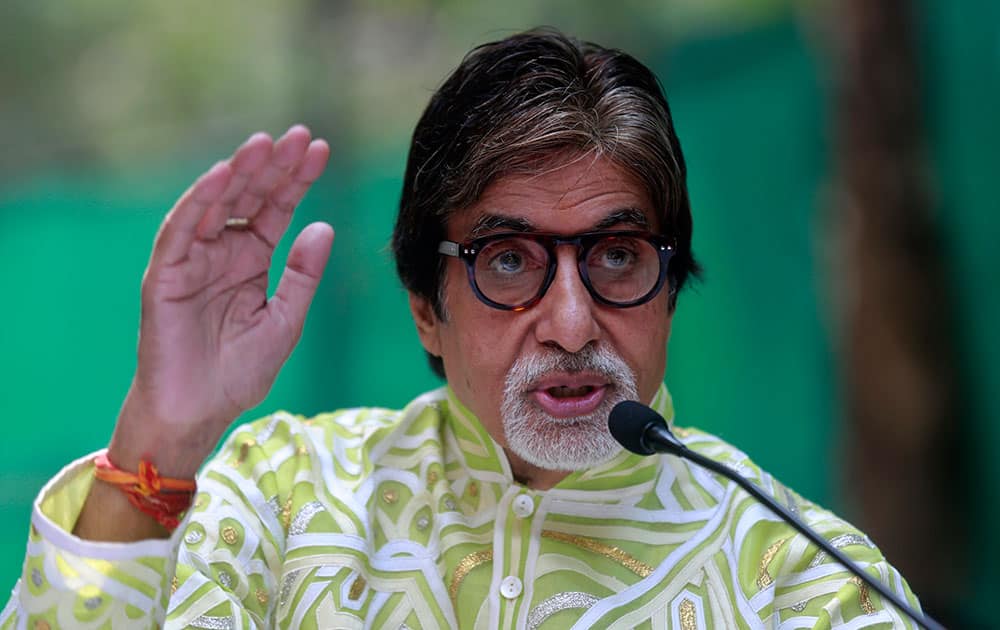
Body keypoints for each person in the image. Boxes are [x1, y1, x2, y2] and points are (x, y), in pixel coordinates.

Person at [1, 29, 920, 629]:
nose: (570, 324)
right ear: (423, 306)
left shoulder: (804, 582)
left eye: (617, 257)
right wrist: (161, 440)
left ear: (670, 287)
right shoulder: (280, 498)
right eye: (510, 260)